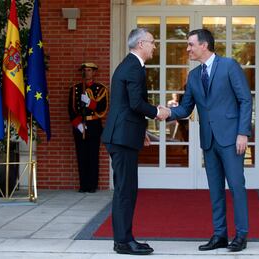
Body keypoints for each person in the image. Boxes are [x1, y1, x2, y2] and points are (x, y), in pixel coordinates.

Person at [163, 29, 252, 252]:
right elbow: (185, 108)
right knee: (215, 190)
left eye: (190, 45)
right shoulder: (193, 76)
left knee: (237, 187)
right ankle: (219, 235)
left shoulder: (229, 66)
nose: (187, 49)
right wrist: (167, 113)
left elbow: (245, 100)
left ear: (204, 45)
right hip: (209, 140)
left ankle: (241, 235)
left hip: (232, 139)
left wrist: (243, 133)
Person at [101, 28, 168, 255]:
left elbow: (128, 105)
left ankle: (126, 238)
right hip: (121, 139)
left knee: (127, 189)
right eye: (152, 42)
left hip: (124, 136)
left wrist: (141, 131)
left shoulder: (132, 65)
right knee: (125, 190)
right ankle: (122, 242)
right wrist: (157, 112)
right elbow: (135, 103)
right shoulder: (133, 67)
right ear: (140, 44)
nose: (154, 46)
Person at [68, 62, 108, 193]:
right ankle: (83, 185)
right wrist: (78, 124)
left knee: (93, 156)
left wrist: (90, 102)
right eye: (84, 70)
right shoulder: (75, 89)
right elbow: (71, 108)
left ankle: (92, 185)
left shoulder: (101, 89)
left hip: (94, 125)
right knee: (81, 156)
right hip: (80, 126)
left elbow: (103, 108)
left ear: (94, 72)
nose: (87, 73)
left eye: (89, 70)